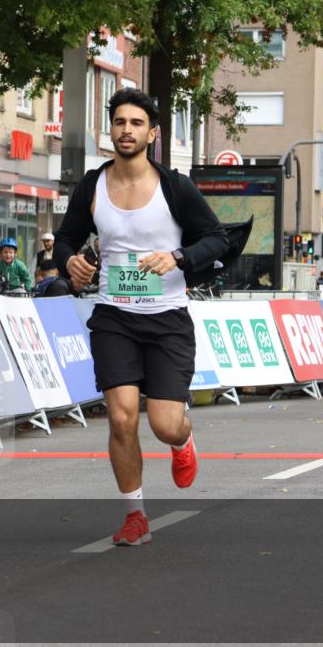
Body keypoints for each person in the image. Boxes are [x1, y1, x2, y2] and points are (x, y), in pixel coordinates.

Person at [53, 88, 229, 546]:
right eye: (119, 122)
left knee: (165, 423)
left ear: (152, 133)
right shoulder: (92, 186)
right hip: (115, 317)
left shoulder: (175, 187)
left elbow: (217, 239)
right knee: (122, 418)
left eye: (135, 123)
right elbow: (65, 240)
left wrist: (178, 257)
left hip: (168, 319)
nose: (126, 130)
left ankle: (183, 442)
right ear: (109, 129)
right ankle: (135, 515)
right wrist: (70, 262)